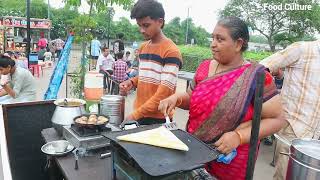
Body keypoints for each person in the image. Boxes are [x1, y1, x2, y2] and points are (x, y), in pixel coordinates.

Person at [158, 17, 286, 180]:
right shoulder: (204, 67)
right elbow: (191, 98)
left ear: (238, 44)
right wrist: (175, 99)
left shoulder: (257, 77)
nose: (213, 44)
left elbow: (277, 120)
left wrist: (238, 137)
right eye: (213, 38)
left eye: (220, 39)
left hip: (232, 160)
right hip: (194, 150)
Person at [260, 39, 320, 180]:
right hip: (292, 129)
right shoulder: (303, 49)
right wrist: (271, 100)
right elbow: (262, 67)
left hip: (314, 137)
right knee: (285, 176)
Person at [119, 0, 182, 125]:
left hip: (159, 118)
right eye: (139, 25)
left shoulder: (171, 52)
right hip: (140, 112)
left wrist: (134, 115)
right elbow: (145, 76)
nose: (142, 30)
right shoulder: (143, 47)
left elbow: (163, 95)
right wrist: (132, 82)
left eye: (146, 25)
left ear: (160, 22)